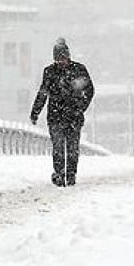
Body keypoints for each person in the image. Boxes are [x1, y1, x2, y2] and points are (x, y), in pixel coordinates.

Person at [29, 37, 95, 187]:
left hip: (73, 116)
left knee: (72, 148)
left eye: (63, 58)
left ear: (68, 56)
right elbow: (43, 93)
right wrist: (35, 112)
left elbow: (89, 90)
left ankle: (70, 174)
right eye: (58, 59)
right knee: (58, 147)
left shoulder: (79, 70)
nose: (61, 62)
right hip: (55, 116)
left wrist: (80, 107)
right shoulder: (50, 72)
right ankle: (59, 174)